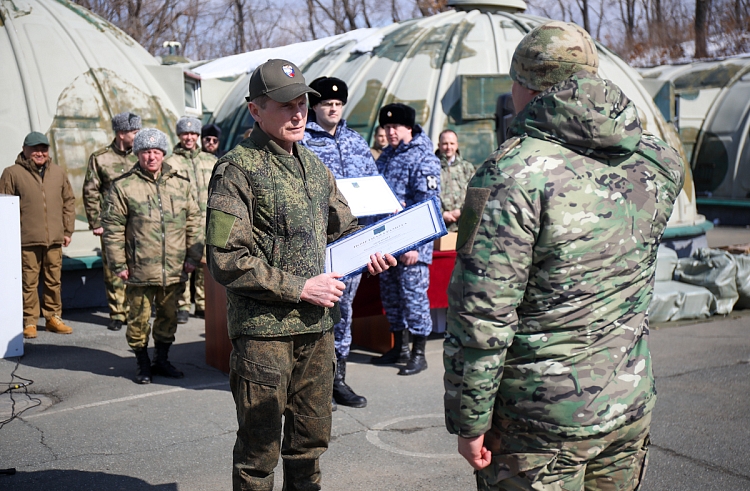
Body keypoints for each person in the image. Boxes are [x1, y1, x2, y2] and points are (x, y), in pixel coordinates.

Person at [443, 21, 685, 490]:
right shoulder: (657, 158)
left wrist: (469, 419)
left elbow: (482, 314)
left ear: (527, 86)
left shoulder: (511, 174)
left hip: (537, 424)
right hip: (627, 400)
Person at [205, 58, 395, 491]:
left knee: (309, 445)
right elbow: (226, 258)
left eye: (303, 104)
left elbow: (343, 228)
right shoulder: (236, 170)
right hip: (264, 335)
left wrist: (371, 250)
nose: (298, 114)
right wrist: (300, 287)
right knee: (259, 452)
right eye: (285, 104)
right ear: (255, 109)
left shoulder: (314, 166)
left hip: (316, 330)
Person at [102, 128, 203, 384]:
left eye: (156, 151)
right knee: (138, 319)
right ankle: (142, 362)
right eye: (146, 152)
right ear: (137, 153)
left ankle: (162, 359)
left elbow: (194, 222)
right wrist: (118, 264)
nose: (151, 157)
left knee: (169, 317)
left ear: (163, 153)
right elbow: (112, 228)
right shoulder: (123, 186)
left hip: (175, 267)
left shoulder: (181, 184)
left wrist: (193, 257)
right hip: (138, 269)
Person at [302, 76, 379, 409]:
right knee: (317, 309)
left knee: (344, 310)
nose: (332, 109)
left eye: (337, 104)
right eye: (325, 104)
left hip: (354, 239)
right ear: (315, 108)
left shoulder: (356, 141)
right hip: (318, 241)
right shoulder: (302, 141)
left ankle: (338, 379)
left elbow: (374, 185)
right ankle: (313, 383)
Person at [371, 103, 441, 376]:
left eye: (394, 128)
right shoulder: (386, 157)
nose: (389, 133)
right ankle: (399, 347)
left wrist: (415, 246)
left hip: (412, 246)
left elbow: (429, 206)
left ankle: (419, 353)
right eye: (386, 128)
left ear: (408, 128)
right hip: (386, 244)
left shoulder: (424, 158)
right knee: (392, 298)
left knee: (414, 299)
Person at [1, 132, 75, 339]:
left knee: (54, 280)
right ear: (25, 150)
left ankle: (53, 318)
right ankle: (29, 321)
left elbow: (68, 201)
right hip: (26, 239)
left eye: (43, 149)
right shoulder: (12, 173)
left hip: (54, 239)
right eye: (34, 149)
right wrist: (9, 237)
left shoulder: (58, 173)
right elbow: (4, 205)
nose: (39, 153)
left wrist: (67, 230)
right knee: (28, 282)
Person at [83, 111, 141, 331]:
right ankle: (118, 313)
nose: (138, 135)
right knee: (113, 269)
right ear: (121, 133)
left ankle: (136, 311)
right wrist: (96, 222)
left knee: (136, 266)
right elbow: (90, 191)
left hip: (137, 223)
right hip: (111, 223)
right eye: (134, 132)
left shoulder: (141, 156)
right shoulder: (100, 158)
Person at [165, 116, 217, 323]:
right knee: (182, 264)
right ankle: (183, 305)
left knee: (206, 264)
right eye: (185, 133)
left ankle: (203, 303)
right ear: (179, 135)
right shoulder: (169, 163)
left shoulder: (210, 160)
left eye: (193, 134)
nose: (189, 137)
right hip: (180, 222)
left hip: (207, 221)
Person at [436, 129, 474, 232]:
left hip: (463, 225)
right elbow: (426, 196)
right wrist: (441, 213)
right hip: (439, 226)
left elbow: (474, 194)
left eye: (452, 143)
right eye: (445, 144)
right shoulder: (431, 168)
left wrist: (461, 211)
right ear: (438, 145)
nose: (449, 147)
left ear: (457, 145)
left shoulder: (467, 168)